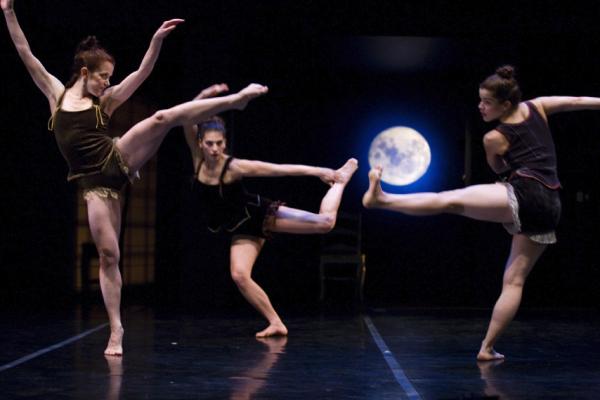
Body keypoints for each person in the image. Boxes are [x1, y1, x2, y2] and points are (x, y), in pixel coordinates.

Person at [3, 0, 268, 356]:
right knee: (109, 256)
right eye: (102, 76)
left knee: (161, 118)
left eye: (110, 78)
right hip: (95, 185)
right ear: (84, 72)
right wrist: (8, 11)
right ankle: (117, 329)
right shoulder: (56, 94)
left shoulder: (106, 101)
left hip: (118, 158)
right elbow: (25, 51)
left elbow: (141, 73)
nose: (107, 83)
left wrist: (156, 39)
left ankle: (234, 101)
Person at [362, 65, 600, 361]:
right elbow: (577, 101)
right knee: (514, 281)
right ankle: (487, 348)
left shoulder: (494, 137)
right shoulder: (538, 106)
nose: (481, 106)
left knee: (448, 200)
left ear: (505, 104)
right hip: (550, 205)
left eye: (487, 102)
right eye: (480, 100)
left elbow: (499, 168)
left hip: (526, 193)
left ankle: (383, 200)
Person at [183, 96, 358, 337]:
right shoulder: (197, 160)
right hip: (238, 227)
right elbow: (185, 117)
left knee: (325, 223)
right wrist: (205, 95)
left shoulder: (235, 166)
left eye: (219, 143)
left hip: (258, 214)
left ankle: (340, 181)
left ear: (225, 144)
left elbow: (280, 169)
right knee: (239, 275)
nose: (214, 149)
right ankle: (276, 323)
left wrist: (321, 172)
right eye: (209, 143)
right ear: (200, 142)